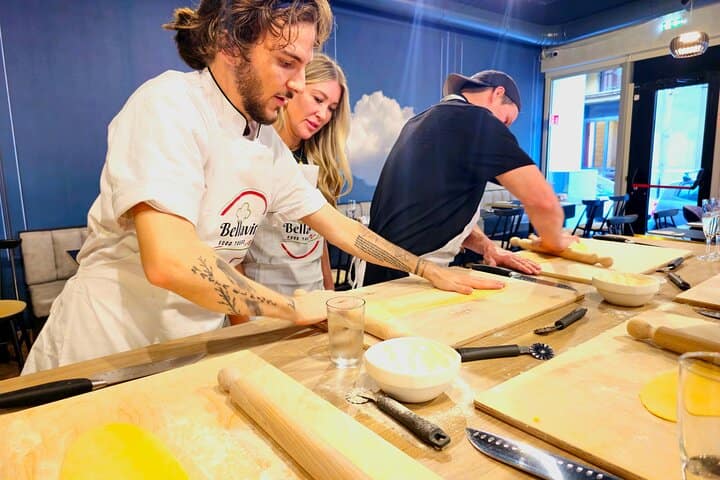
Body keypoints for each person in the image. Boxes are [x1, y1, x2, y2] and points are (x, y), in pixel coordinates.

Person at [23, 1, 501, 374]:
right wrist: (292, 308)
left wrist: (425, 269)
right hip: (101, 353)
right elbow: (170, 261)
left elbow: (337, 227)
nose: (298, 84)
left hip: (184, 353)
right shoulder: (168, 105)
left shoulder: (265, 143)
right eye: (287, 62)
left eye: (304, 66)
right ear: (230, 42)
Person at [364, 69, 575, 286]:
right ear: (497, 93)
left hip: (379, 274)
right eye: (506, 120)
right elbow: (542, 201)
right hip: (411, 277)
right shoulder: (476, 120)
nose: (504, 128)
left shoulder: (420, 122)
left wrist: (489, 248)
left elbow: (437, 214)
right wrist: (555, 242)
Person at [241, 53, 350, 296]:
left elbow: (320, 238)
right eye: (318, 99)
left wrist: (329, 292)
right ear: (293, 88)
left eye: (331, 109)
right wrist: (244, 313)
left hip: (314, 297)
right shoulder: (255, 149)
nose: (323, 115)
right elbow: (231, 252)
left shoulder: (320, 162)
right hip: (265, 301)